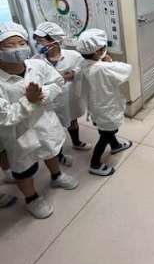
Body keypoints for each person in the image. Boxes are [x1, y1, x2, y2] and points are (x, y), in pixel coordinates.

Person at [0, 22, 78, 219]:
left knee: (51, 150)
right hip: (18, 133)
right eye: (10, 45)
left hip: (45, 123)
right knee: (24, 169)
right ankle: (32, 198)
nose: (18, 49)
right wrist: (30, 101)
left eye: (21, 43)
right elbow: (5, 116)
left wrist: (42, 94)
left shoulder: (37, 65)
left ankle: (56, 176)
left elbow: (57, 82)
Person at [33, 22, 91, 165]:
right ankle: (59, 156)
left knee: (72, 120)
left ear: (54, 40)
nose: (38, 44)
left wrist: (74, 73)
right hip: (50, 102)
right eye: (37, 41)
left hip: (69, 97)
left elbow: (84, 69)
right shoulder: (35, 61)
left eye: (41, 41)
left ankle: (76, 142)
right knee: (53, 130)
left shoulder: (73, 56)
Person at [77, 29, 132, 176]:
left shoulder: (83, 64)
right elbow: (127, 70)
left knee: (106, 130)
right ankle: (94, 164)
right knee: (106, 134)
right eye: (103, 47)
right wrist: (109, 61)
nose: (105, 49)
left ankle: (115, 145)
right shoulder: (103, 68)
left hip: (96, 107)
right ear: (97, 52)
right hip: (107, 108)